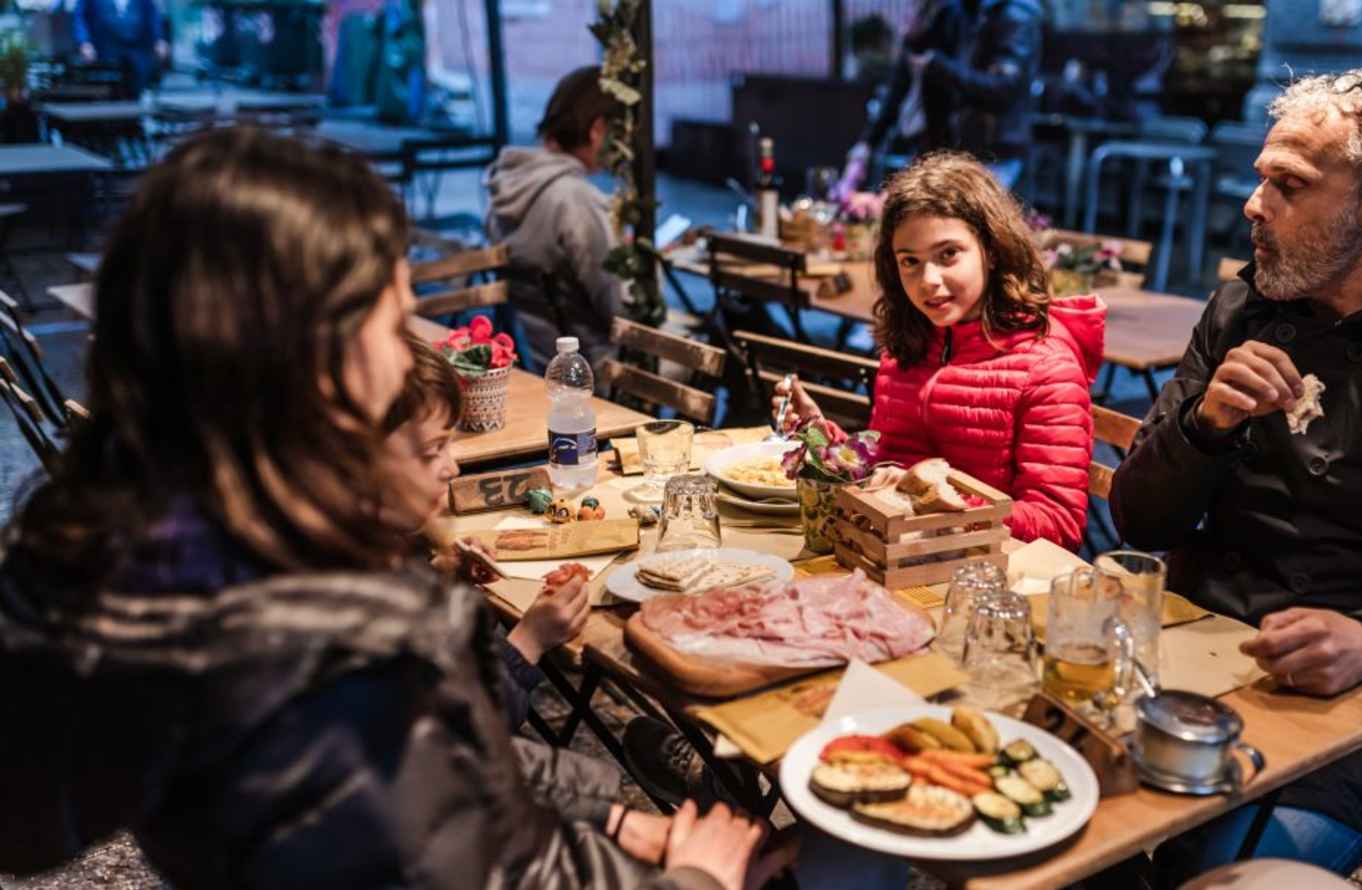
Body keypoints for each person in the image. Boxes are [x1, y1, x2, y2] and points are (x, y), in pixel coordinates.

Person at [0, 127, 779, 890]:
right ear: (315, 357)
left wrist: (606, 812)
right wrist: (697, 877)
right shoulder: (335, 664)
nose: (412, 345)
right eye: (392, 314)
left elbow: (447, 775)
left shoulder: (149, 549)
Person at [1108, 62, 1362, 885]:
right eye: (1262, 179)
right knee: (1068, 814)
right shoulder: (1241, 310)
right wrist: (1204, 425)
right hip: (1203, 657)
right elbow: (1140, 523)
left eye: (1289, 186)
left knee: (1207, 864)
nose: (1254, 206)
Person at [776, 151, 1104, 551]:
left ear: (992, 250)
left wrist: (941, 500)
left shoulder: (1046, 367)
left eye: (948, 254)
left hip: (991, 577)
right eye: (910, 261)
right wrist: (823, 439)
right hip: (905, 559)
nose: (928, 280)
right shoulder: (907, 346)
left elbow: (1058, 523)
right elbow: (890, 464)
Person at [380, 331, 589, 731]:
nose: (453, 468)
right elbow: (466, 729)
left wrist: (443, 576)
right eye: (431, 451)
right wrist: (529, 641)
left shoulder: (382, 557)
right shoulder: (363, 595)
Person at [485, 65, 625, 375]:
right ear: (598, 129)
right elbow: (619, 311)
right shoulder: (574, 199)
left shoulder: (506, 185)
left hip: (542, 361)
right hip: (598, 369)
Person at [833, 0, 1045, 202]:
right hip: (952, 152)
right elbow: (904, 80)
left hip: (993, 155)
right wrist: (866, 146)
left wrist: (936, 65)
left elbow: (1004, 89)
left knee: (976, 232)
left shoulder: (1014, 12)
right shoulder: (955, 11)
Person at [73, 0, 168, 100]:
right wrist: (84, 42)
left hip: (137, 51)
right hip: (104, 51)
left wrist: (159, 39)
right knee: (107, 93)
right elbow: (80, 17)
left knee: (137, 89)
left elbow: (152, 15)